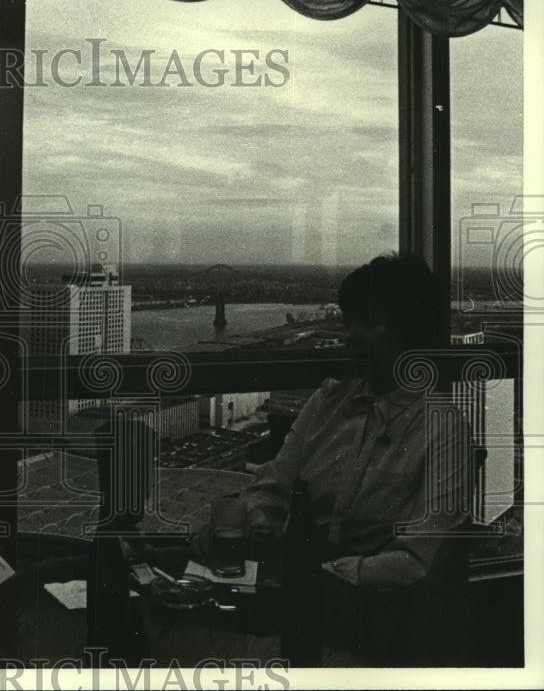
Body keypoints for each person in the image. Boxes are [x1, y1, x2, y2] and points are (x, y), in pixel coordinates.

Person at [196, 254, 475, 663]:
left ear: (411, 331)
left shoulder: (442, 428)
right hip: (292, 605)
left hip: (372, 627)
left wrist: (316, 578)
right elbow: (273, 488)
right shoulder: (327, 402)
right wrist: (248, 522)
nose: (352, 335)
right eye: (348, 321)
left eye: (371, 321)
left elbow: (417, 561)